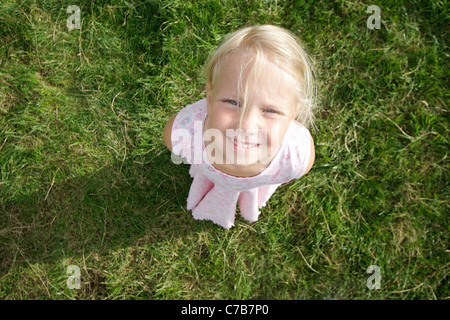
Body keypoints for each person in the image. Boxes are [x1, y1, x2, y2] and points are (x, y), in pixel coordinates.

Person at [163, 25, 316, 229]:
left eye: (270, 110)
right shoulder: (186, 133)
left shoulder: (295, 157)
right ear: (209, 98)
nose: (246, 126)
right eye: (233, 103)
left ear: (292, 114)